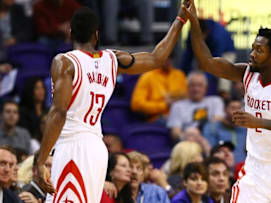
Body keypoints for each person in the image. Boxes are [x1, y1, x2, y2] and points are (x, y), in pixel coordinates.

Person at [35, 4, 189, 202]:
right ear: (96, 34)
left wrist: (41, 160)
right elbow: (157, 58)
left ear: (70, 33)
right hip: (97, 147)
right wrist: (179, 21)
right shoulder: (112, 59)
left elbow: (59, 113)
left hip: (73, 145)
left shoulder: (65, 62)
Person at [182, 0, 271, 202]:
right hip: (256, 167)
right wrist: (194, 23)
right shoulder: (247, 73)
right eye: (253, 48)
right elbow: (207, 62)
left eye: (259, 50)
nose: (252, 54)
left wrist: (258, 122)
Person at [167, 70, 224, 141]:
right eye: (192, 85)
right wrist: (187, 137)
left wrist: (200, 132)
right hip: (188, 142)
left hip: (210, 140)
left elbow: (219, 119)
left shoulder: (215, 101)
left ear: (206, 88)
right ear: (187, 87)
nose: (196, 89)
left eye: (200, 85)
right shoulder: (177, 106)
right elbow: (175, 132)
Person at [131, 54, 187, 122]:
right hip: (158, 117)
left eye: (170, 58)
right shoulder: (147, 76)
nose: (168, 61)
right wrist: (164, 105)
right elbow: (136, 104)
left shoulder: (179, 75)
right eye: (165, 58)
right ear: (157, 59)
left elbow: (187, 97)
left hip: (181, 114)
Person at [203, 98, 247, 163]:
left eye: (239, 108)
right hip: (222, 167)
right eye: (233, 108)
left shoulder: (245, 129)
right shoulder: (212, 127)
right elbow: (211, 152)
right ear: (224, 109)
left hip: (244, 168)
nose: (237, 111)